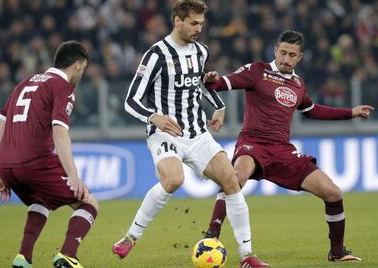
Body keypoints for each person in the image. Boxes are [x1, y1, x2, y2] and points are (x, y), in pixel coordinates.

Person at [112, 1, 269, 267]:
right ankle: (130, 237)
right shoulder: (156, 55)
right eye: (194, 23)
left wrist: (218, 106)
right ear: (177, 21)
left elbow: (198, 85)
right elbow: (131, 100)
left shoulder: (201, 51)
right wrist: (154, 117)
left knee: (231, 181)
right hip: (165, 133)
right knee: (174, 179)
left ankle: (247, 256)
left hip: (197, 134)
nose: (199, 29)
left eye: (201, 24)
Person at [202, 30, 374, 262]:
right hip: (253, 144)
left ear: (299, 57)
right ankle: (211, 236)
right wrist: (213, 80)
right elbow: (223, 83)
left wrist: (350, 113)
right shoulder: (257, 71)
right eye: (282, 53)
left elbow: (312, 110)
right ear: (275, 51)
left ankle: (337, 251)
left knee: (333, 193)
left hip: (283, 151)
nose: (285, 59)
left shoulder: (298, 84)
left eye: (291, 55)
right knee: (236, 177)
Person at [0, 40, 98, 268]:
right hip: (34, 162)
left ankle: (23, 258)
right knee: (88, 202)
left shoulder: (24, 82)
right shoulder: (62, 87)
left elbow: (1, 123)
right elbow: (59, 131)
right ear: (78, 65)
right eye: (84, 68)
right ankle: (68, 255)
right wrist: (73, 176)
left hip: (6, 165)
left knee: (40, 201)